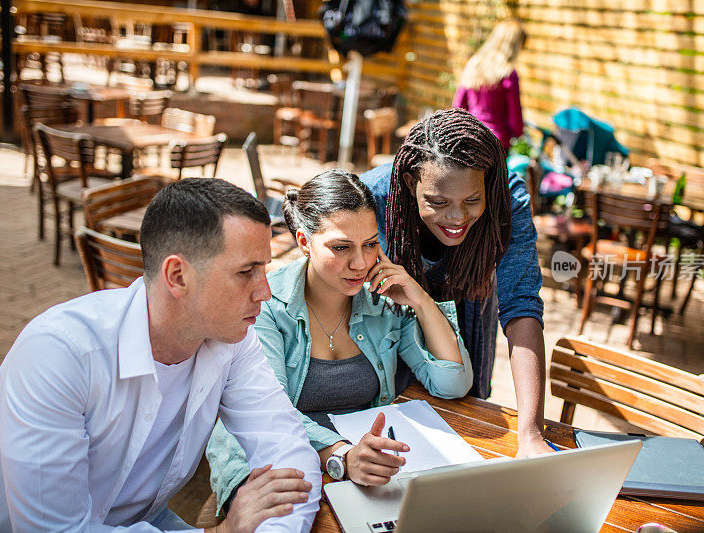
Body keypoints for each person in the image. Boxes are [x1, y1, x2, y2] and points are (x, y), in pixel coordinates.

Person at [0, 179, 322, 532]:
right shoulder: (60, 354)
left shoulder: (230, 338)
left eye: (265, 269)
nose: (264, 291)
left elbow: (288, 451)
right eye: (246, 272)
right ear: (177, 275)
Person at [207, 170, 472, 513]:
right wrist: (342, 456)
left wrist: (420, 300)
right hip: (268, 463)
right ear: (304, 242)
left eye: (371, 244)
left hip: (362, 469)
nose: (360, 263)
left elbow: (452, 383)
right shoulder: (267, 306)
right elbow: (267, 415)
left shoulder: (383, 301)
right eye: (341, 247)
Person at [360, 108, 552, 457]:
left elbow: (521, 305)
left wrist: (531, 435)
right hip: (391, 332)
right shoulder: (373, 198)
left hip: (468, 322)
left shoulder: (507, 201)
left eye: (472, 200)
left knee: (461, 424)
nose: (457, 217)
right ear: (408, 182)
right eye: (438, 202)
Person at [453, 20, 526, 150]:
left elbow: (458, 106)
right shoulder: (508, 73)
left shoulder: (473, 65)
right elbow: (515, 118)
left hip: (470, 137)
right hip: (496, 143)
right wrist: (518, 133)